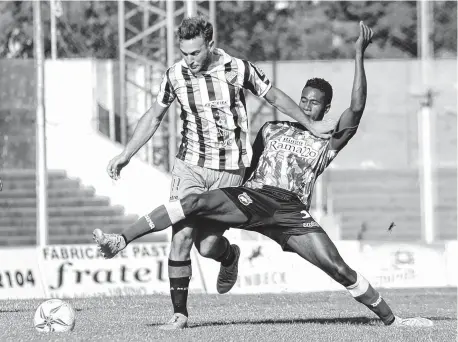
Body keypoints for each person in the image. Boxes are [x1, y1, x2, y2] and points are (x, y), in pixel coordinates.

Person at [95, 21, 433, 329]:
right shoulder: (271, 129)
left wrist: (359, 54)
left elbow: (356, 107)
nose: (307, 106)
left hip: (291, 211)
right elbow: (253, 162)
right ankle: (124, 241)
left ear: (325, 108)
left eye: (314, 103)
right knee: (191, 207)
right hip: (253, 197)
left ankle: (393, 320)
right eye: (304, 100)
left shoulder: (329, 138)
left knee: (337, 268)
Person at [105, 16, 334, 330]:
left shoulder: (238, 69)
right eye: (185, 53)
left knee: (208, 245)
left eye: (196, 53)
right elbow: (154, 115)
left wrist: (309, 124)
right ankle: (180, 315)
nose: (190, 60)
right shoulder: (174, 75)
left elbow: (275, 97)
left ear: (209, 45)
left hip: (229, 171)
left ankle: (228, 256)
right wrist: (126, 153)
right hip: (190, 166)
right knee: (182, 235)